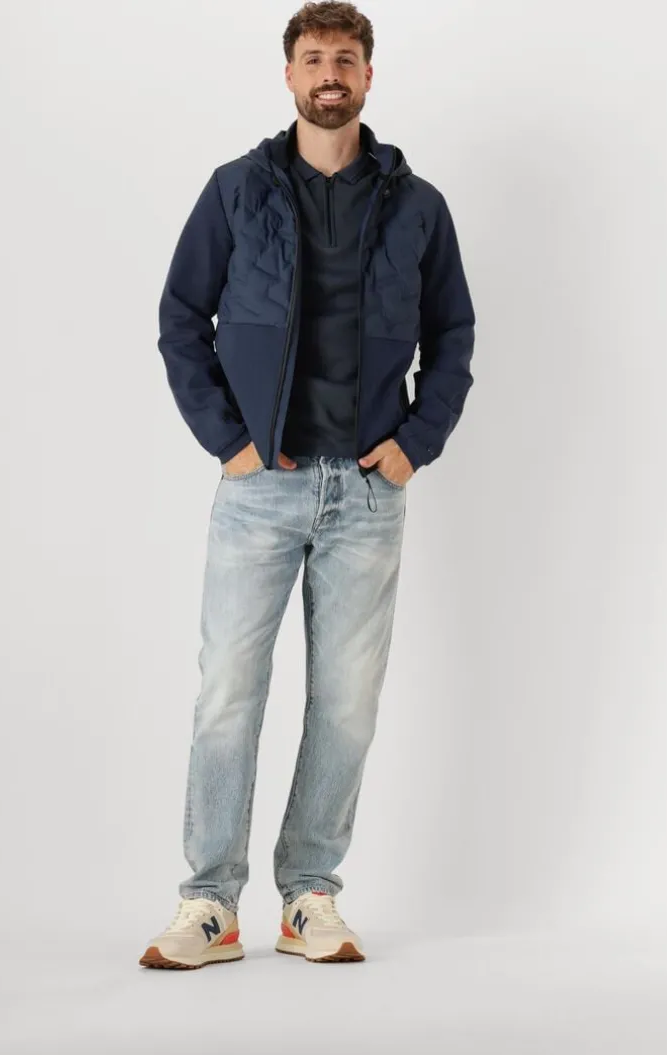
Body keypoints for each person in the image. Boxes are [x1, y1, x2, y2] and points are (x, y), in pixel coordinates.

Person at [140, 0, 475, 970]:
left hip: (369, 492)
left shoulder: (418, 205)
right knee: (227, 695)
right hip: (261, 487)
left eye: (347, 58)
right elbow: (180, 317)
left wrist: (414, 443)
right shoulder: (236, 189)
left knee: (346, 704)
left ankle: (309, 896)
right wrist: (229, 441)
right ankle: (209, 902)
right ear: (289, 75)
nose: (331, 72)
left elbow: (453, 333)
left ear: (369, 76)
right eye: (315, 57)